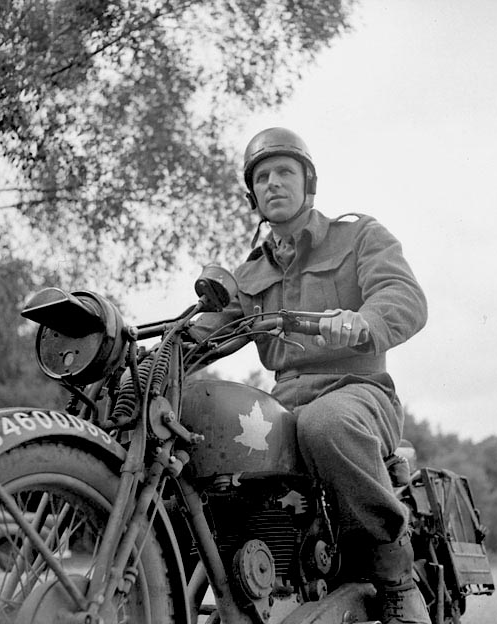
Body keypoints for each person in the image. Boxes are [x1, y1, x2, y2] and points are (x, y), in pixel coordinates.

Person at [192, 127, 430, 624]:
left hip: (358, 394)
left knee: (325, 425)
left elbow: (402, 297)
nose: (273, 183)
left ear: (308, 183)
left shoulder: (358, 235)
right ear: (252, 193)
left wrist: (365, 323)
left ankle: (394, 572)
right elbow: (207, 332)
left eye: (284, 172)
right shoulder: (248, 275)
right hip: (283, 406)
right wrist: (147, 362)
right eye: (261, 177)